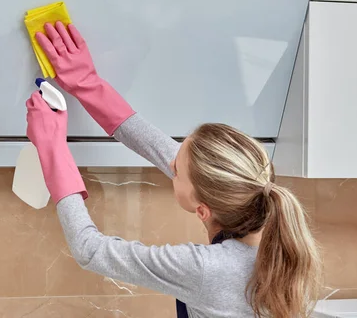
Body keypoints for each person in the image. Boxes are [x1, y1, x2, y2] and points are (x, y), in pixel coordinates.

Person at [25, 22, 322, 318]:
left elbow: (90, 250)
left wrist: (52, 148)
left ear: (203, 210)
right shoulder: (271, 220)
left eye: (176, 172)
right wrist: (85, 81)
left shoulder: (204, 269)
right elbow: (166, 152)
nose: (169, 162)